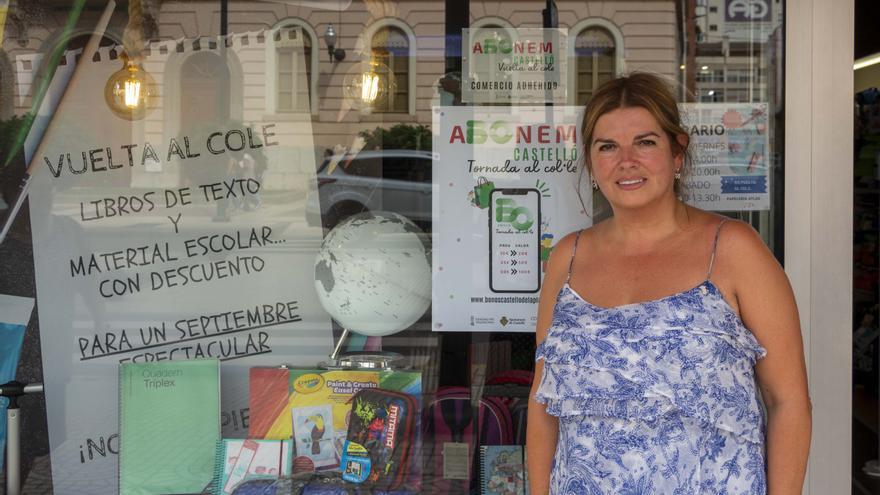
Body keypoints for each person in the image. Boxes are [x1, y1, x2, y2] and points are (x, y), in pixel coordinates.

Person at [526, 73, 811, 494]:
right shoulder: (567, 258)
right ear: (591, 163)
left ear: (678, 154)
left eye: (645, 142)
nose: (626, 160)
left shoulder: (732, 250)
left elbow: (789, 402)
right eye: (607, 146)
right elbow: (543, 402)